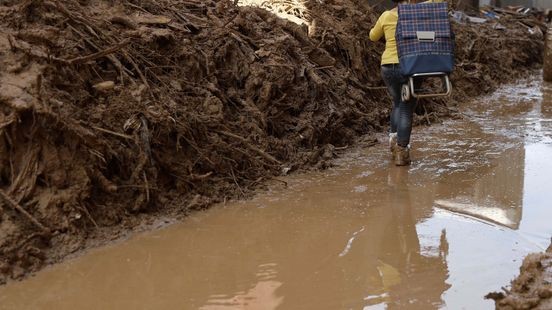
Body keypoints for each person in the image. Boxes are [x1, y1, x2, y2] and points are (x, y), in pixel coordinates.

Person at [369, 0, 442, 166]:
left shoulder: (386, 15)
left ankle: (393, 143)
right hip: (411, 66)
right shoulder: (417, 14)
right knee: (406, 107)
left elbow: (373, 36)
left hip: (388, 67)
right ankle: (402, 151)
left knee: (397, 103)